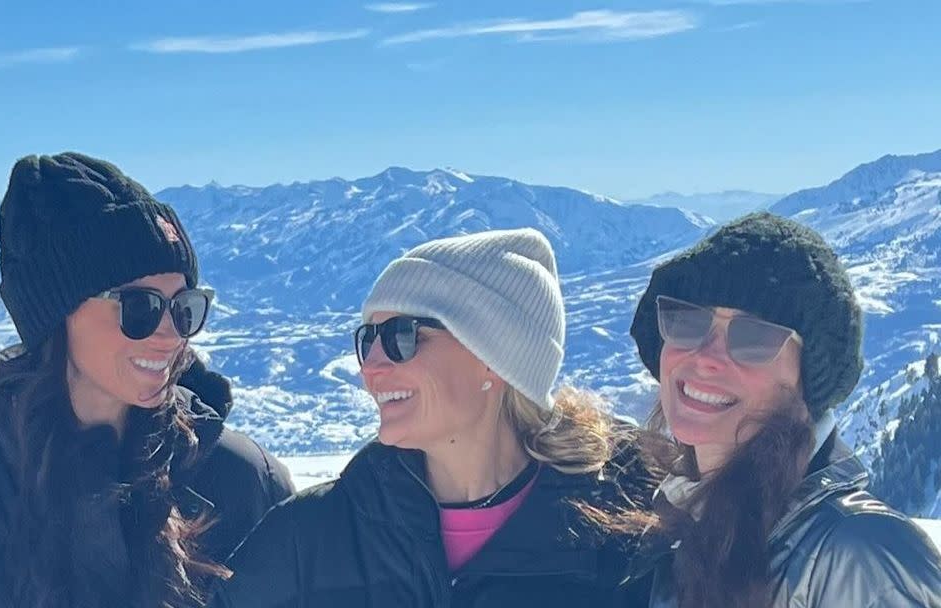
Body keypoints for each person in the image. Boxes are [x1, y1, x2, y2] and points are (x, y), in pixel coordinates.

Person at [0, 152, 294, 608]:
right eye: (140, 307)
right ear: (56, 314)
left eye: (185, 306)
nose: (171, 334)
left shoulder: (240, 477)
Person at [210, 228, 658, 608]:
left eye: (402, 336)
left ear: (494, 359)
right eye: (368, 338)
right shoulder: (309, 537)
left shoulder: (626, 527)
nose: (372, 365)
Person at [626, 212, 941, 607]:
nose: (706, 356)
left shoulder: (863, 561)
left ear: (806, 381)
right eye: (689, 321)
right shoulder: (679, 525)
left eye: (753, 337)